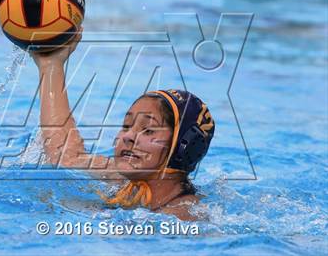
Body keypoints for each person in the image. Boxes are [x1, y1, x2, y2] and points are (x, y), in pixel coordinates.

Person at [30, 27, 215, 221]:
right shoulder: (118, 178)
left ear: (182, 148)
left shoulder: (185, 216)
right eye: (126, 126)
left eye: (148, 130)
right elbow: (65, 158)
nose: (127, 137)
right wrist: (51, 65)